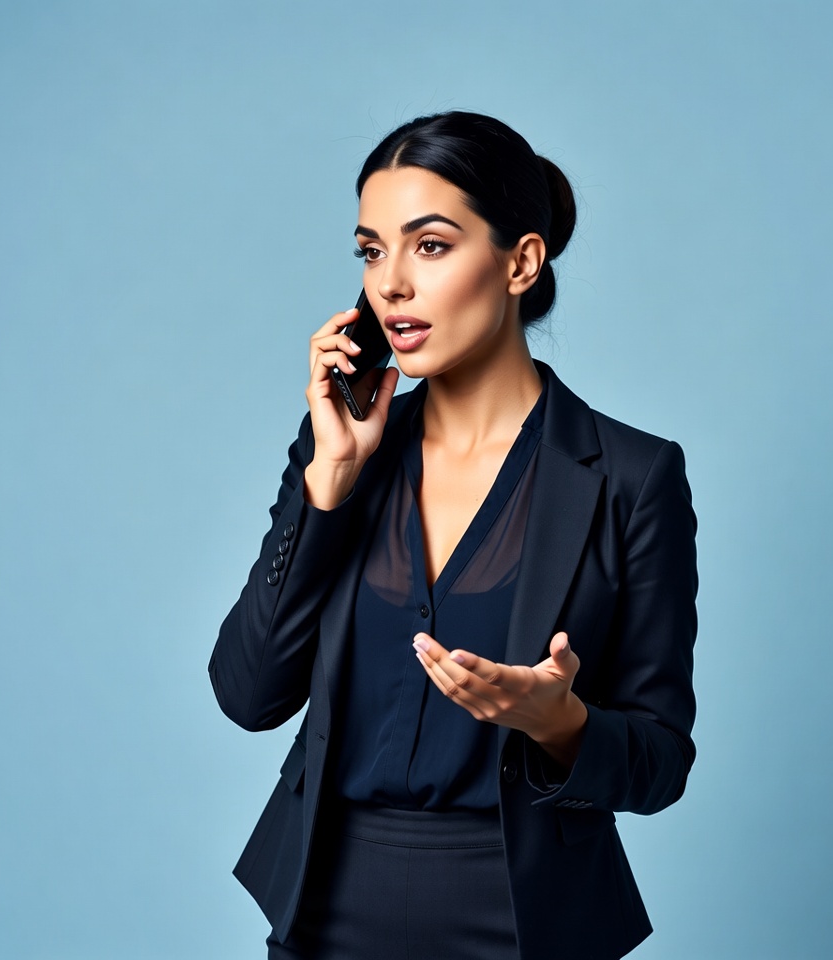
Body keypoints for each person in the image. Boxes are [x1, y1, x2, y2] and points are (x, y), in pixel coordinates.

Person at [209, 111, 698, 960]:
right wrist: (326, 488)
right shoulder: (340, 448)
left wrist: (562, 722)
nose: (390, 285)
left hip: (525, 920)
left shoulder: (631, 476)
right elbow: (250, 696)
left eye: (429, 245)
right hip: (325, 910)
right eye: (371, 251)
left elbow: (659, 763)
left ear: (520, 262)